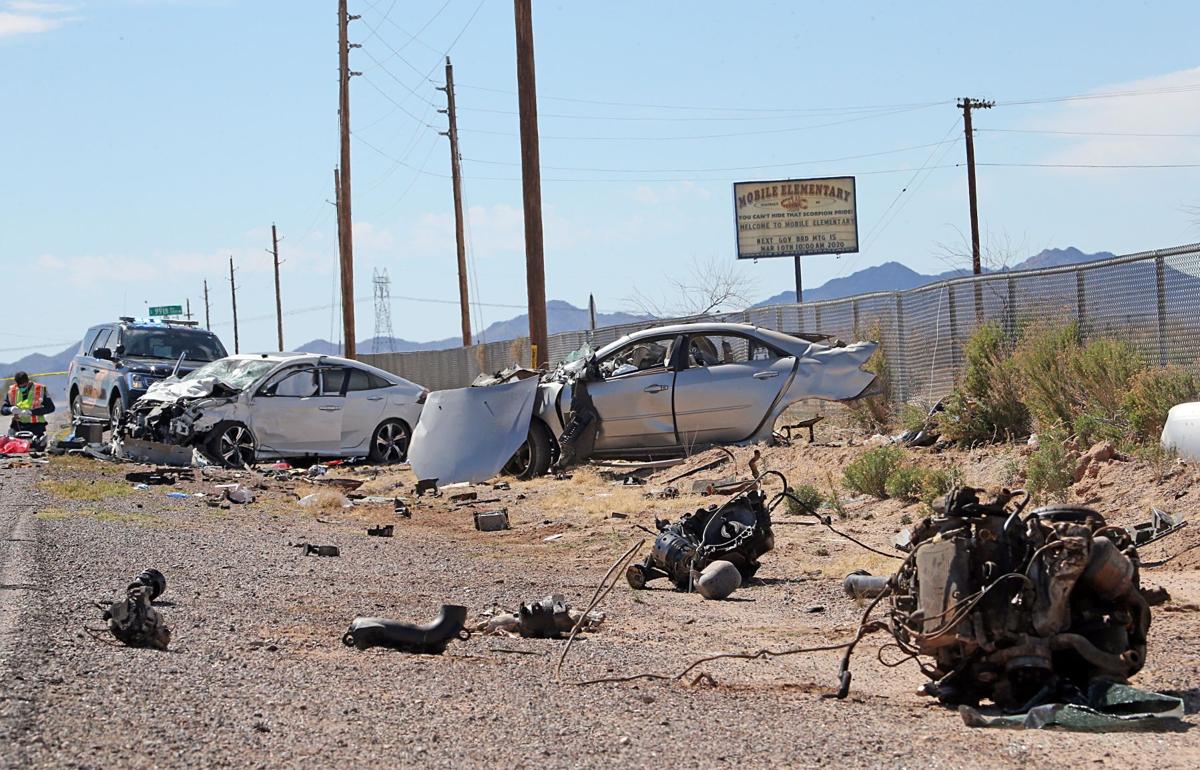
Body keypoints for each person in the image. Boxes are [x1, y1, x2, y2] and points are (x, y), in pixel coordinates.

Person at [3, 371, 56, 437]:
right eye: (20, 386)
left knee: (35, 445)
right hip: (18, 426)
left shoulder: (39, 389)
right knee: (10, 444)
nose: (22, 388)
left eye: (24, 385)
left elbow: (51, 408)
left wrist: (31, 412)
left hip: (36, 426)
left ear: (28, 381)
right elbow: (3, 410)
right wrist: (10, 409)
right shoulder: (12, 391)